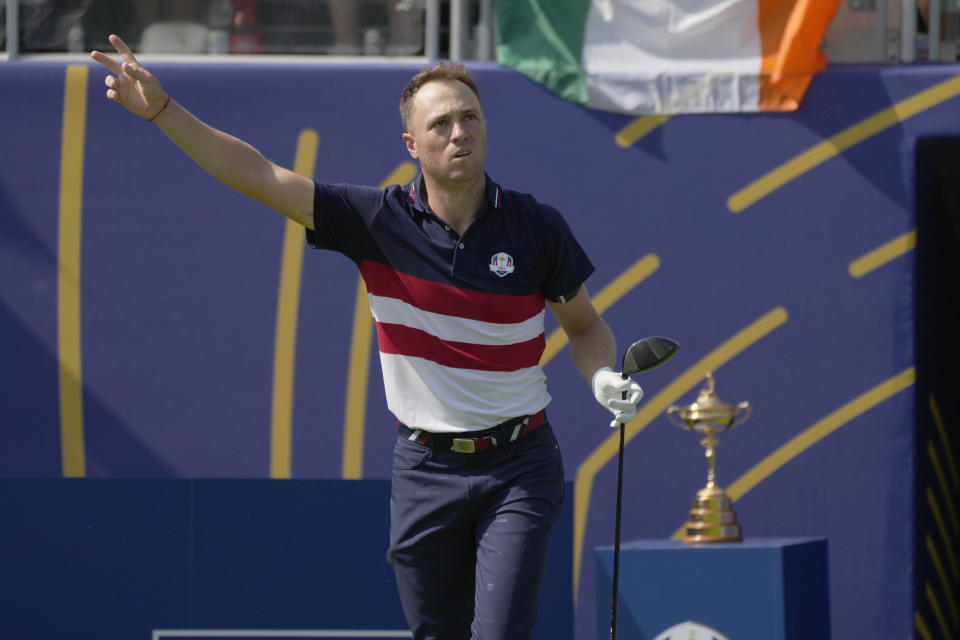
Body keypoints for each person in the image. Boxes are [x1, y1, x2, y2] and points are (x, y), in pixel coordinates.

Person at [90, 34, 644, 640]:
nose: (459, 132)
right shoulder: (375, 220)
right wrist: (166, 112)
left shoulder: (538, 228)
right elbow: (257, 173)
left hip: (520, 464)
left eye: (470, 117)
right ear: (412, 145)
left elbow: (585, 325)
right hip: (424, 467)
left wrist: (601, 376)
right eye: (442, 124)